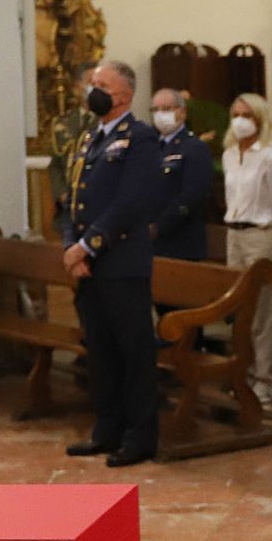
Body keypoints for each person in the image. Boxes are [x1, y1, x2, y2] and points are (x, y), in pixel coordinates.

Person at [64, 61, 164, 468]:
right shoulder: (90, 138)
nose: (94, 91)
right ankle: (106, 429)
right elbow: (75, 199)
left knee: (133, 354)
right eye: (92, 84)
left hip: (122, 263)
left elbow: (131, 202)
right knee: (101, 352)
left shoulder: (139, 138)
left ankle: (140, 436)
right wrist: (72, 246)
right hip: (90, 266)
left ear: (123, 95)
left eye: (102, 85)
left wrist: (89, 246)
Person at [223, 93, 272, 405]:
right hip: (234, 235)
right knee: (241, 311)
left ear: (261, 119)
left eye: (247, 115)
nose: (240, 121)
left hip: (261, 235)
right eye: (236, 114)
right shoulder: (228, 154)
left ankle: (270, 380)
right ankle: (245, 373)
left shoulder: (270, 156)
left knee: (265, 312)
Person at [148, 88, 212, 262]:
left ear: (182, 113)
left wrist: (158, 227)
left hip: (181, 241)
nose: (161, 114)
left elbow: (192, 195)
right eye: (155, 110)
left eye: (167, 109)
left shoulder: (194, 147)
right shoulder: (150, 147)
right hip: (150, 242)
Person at [49, 63, 97, 235]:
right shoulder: (63, 123)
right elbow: (55, 165)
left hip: (96, 208)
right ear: (78, 88)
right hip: (68, 210)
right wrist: (61, 193)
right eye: (91, 82)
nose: (95, 88)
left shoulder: (105, 122)